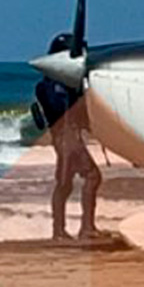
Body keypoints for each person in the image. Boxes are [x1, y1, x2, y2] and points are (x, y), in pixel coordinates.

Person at [33, 33, 103, 241]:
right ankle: (81, 228)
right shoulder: (54, 85)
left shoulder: (52, 83)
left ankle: (63, 230)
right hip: (66, 137)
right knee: (88, 178)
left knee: (66, 183)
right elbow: (61, 109)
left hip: (67, 137)